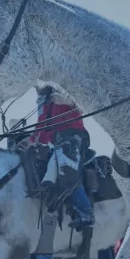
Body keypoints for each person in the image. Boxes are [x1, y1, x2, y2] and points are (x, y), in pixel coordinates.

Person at [31, 85, 94, 230]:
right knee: (47, 179)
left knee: (66, 172)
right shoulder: (44, 100)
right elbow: (41, 124)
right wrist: (31, 141)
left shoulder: (63, 84)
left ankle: (86, 212)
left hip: (74, 135)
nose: (37, 88)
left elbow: (84, 103)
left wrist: (67, 100)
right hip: (55, 141)